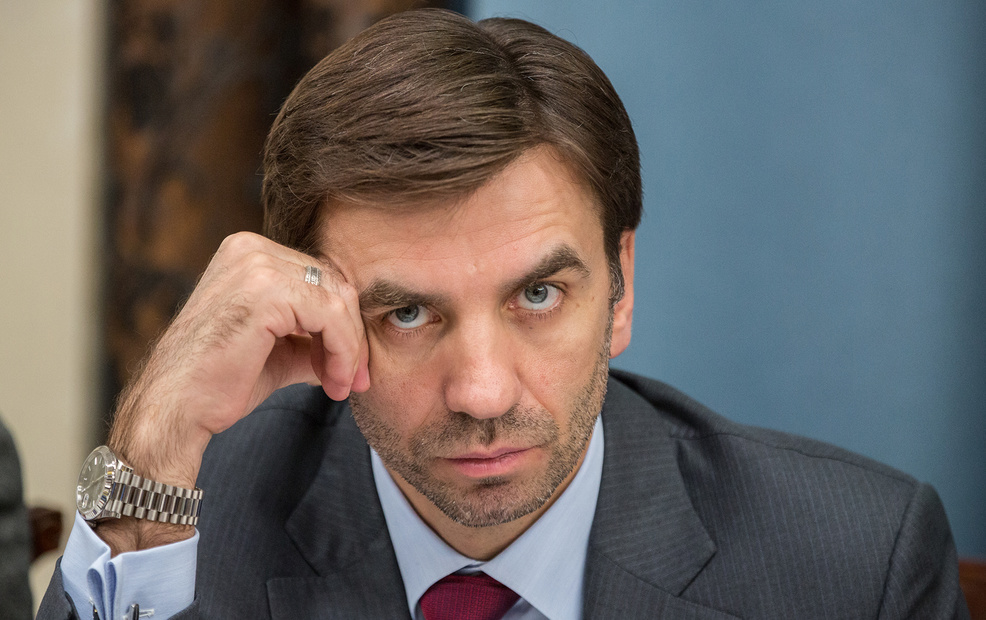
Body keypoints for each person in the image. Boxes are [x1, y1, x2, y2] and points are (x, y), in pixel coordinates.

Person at [39, 8, 967, 620]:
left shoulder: (857, 566)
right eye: (407, 313)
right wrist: (150, 452)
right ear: (315, 319)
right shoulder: (195, 524)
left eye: (538, 296)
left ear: (621, 286)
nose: (482, 393)